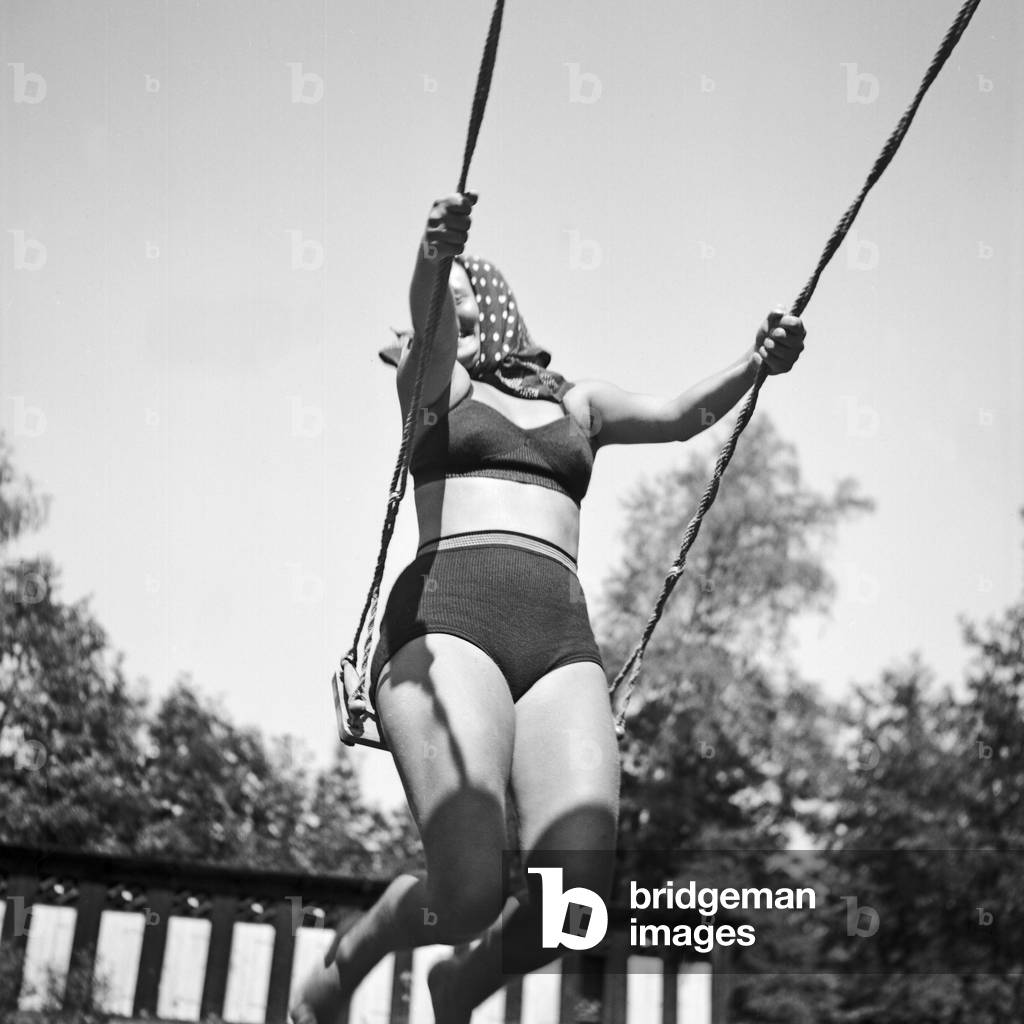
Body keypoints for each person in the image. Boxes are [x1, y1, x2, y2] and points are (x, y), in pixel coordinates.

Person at [289, 192, 805, 1024]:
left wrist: (756, 364)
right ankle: (359, 954)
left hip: (561, 644)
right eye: (440, 285)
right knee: (463, 893)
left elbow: (678, 419)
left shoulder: (579, 405)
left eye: (461, 278)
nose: (447, 292)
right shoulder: (440, 386)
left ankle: (464, 983)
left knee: (577, 899)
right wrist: (429, 255)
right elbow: (428, 323)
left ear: (490, 295)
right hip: (447, 623)